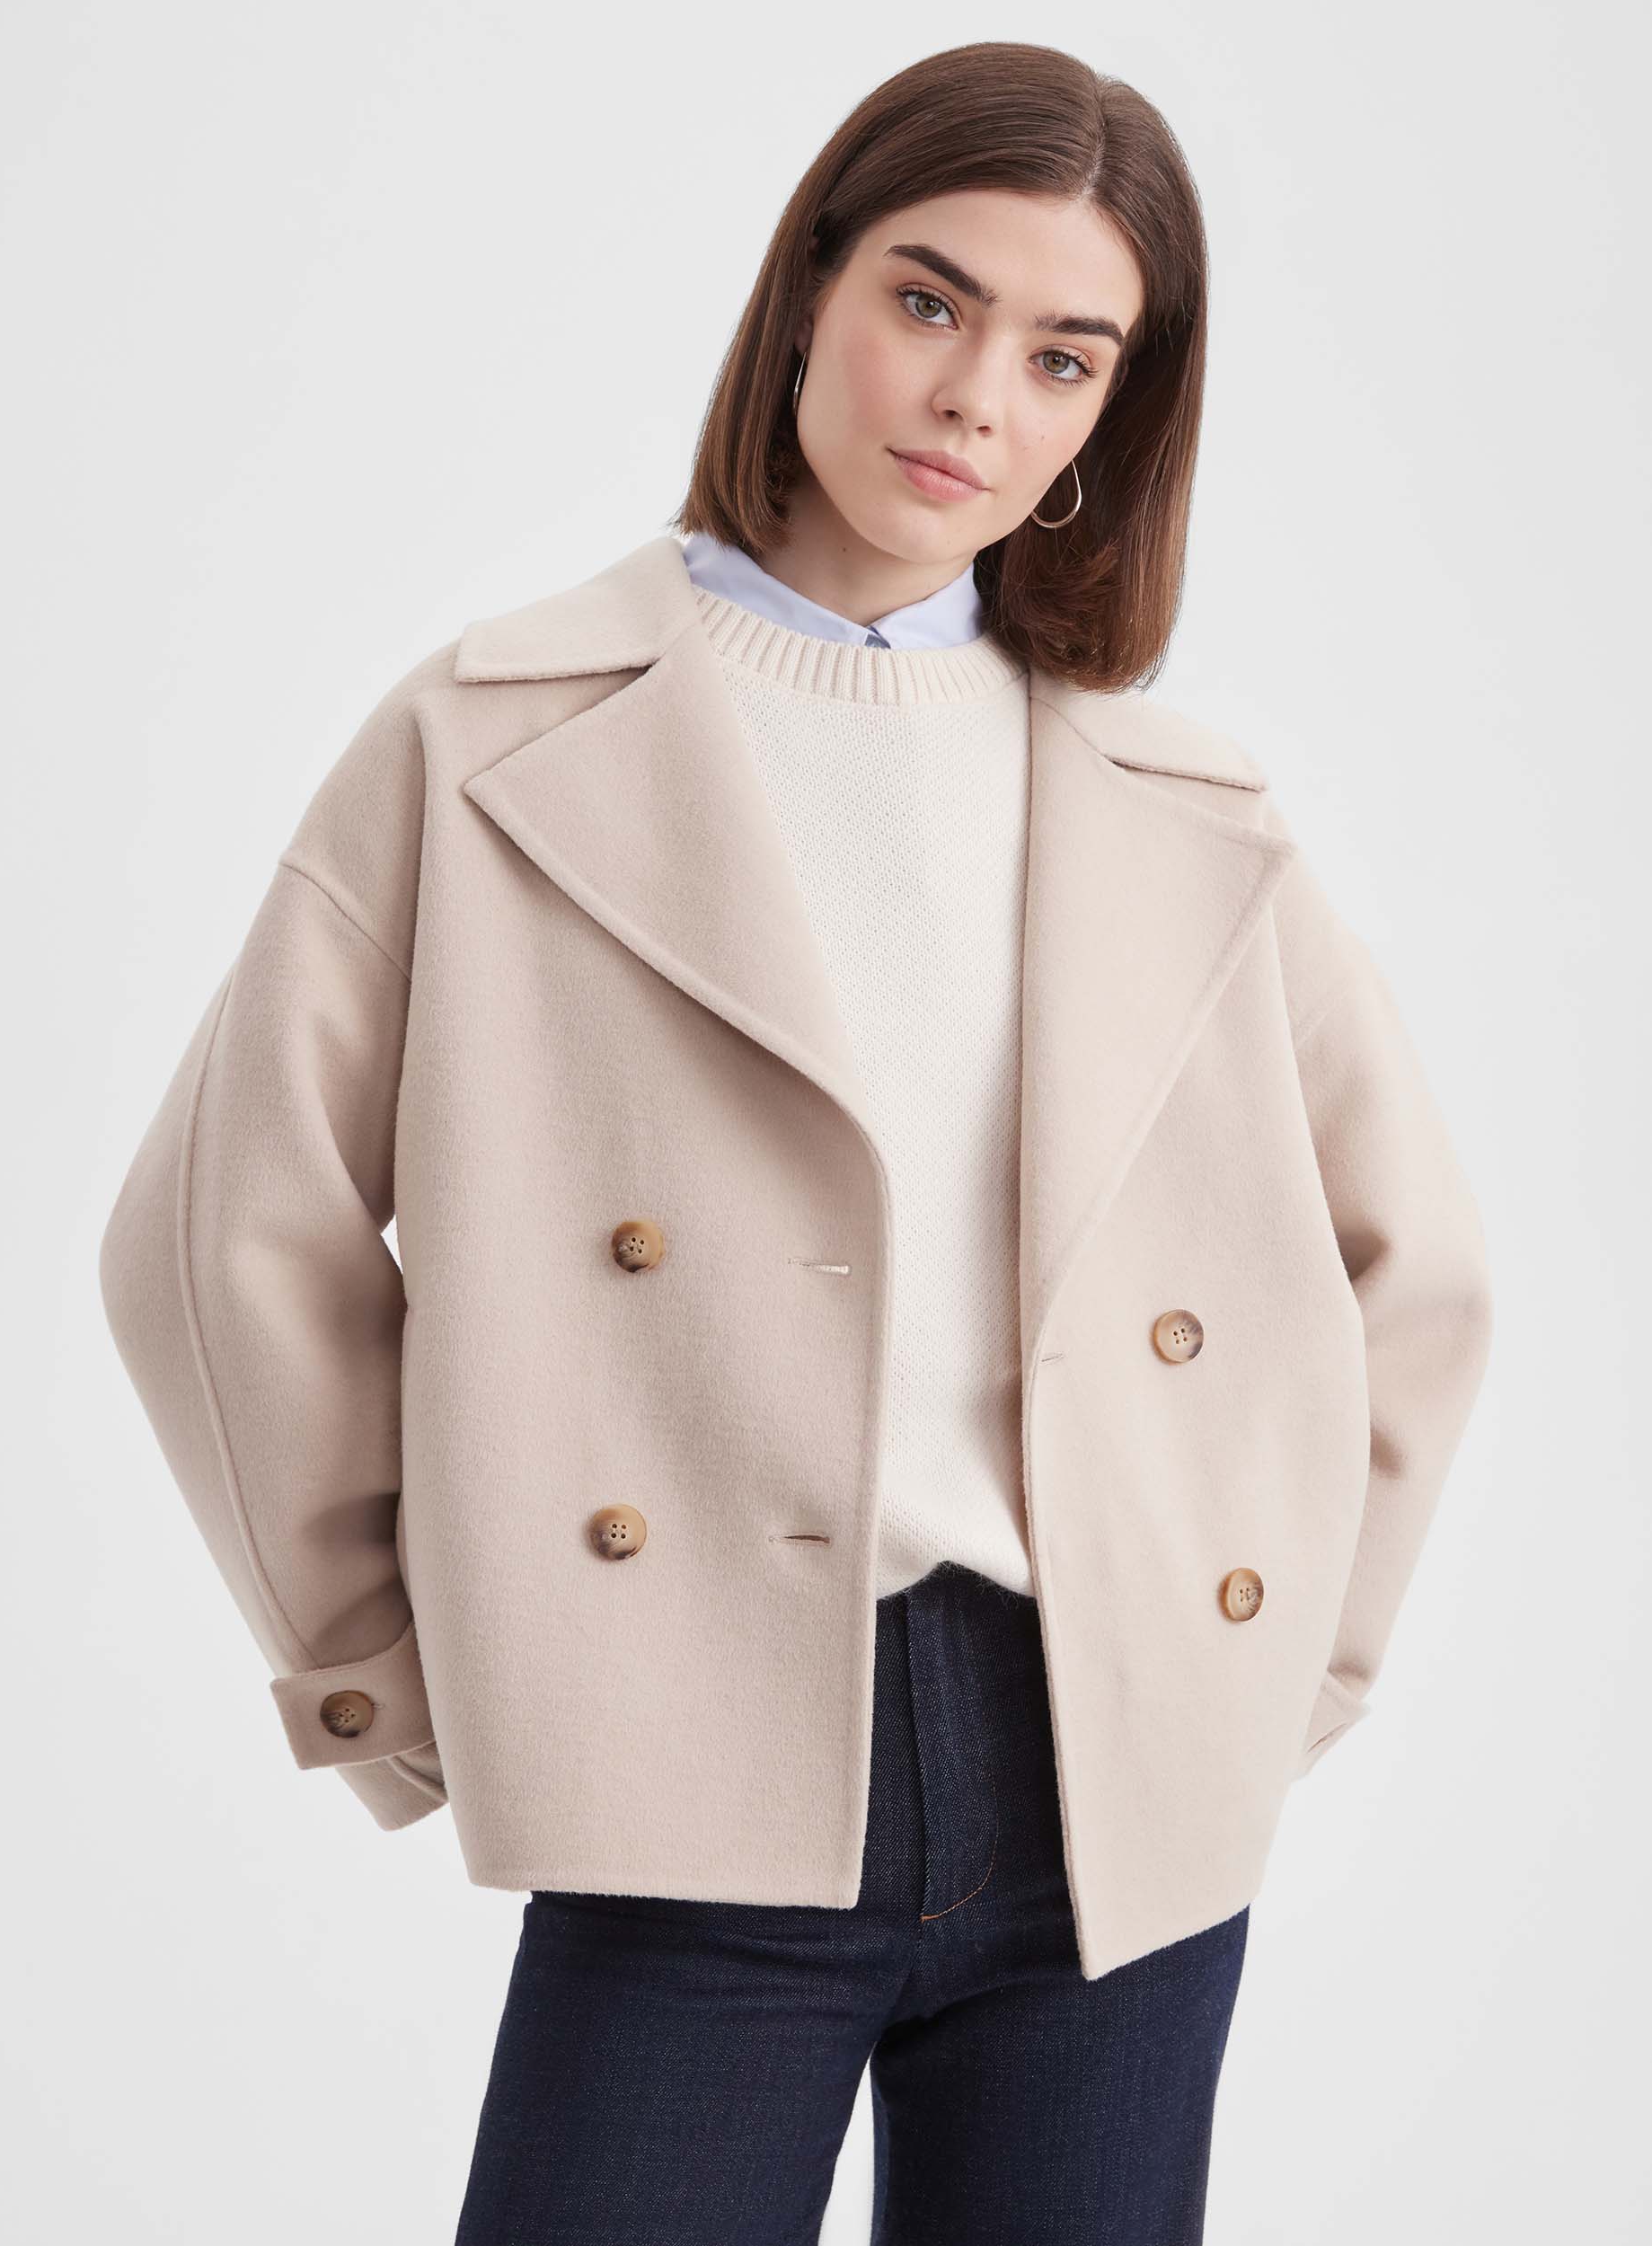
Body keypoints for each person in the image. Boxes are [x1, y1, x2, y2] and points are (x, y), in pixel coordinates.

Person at [98, 40, 1495, 2245]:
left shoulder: (1177, 804)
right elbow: (215, 1234)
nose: (974, 398)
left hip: (1111, 1781)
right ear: (810, 290)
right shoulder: (497, 737)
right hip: (692, 1750)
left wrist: (1265, 1669)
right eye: (930, 301)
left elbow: (1415, 1270)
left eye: (1063, 356)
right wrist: (404, 1664)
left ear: (1109, 419)